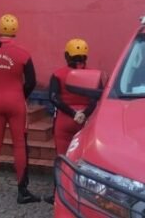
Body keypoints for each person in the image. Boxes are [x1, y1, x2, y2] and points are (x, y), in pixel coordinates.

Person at [0, 14, 40, 204]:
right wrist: (21, 95)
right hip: (16, 102)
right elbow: (31, 82)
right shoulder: (23, 54)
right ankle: (22, 191)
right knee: (19, 144)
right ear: (15, 30)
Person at [44, 38, 97, 204]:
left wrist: (72, 113)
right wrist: (84, 114)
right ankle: (83, 196)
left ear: (67, 55)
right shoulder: (94, 75)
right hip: (86, 120)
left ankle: (58, 195)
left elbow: (53, 97)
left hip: (64, 119)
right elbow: (96, 99)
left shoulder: (58, 74)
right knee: (85, 159)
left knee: (62, 158)